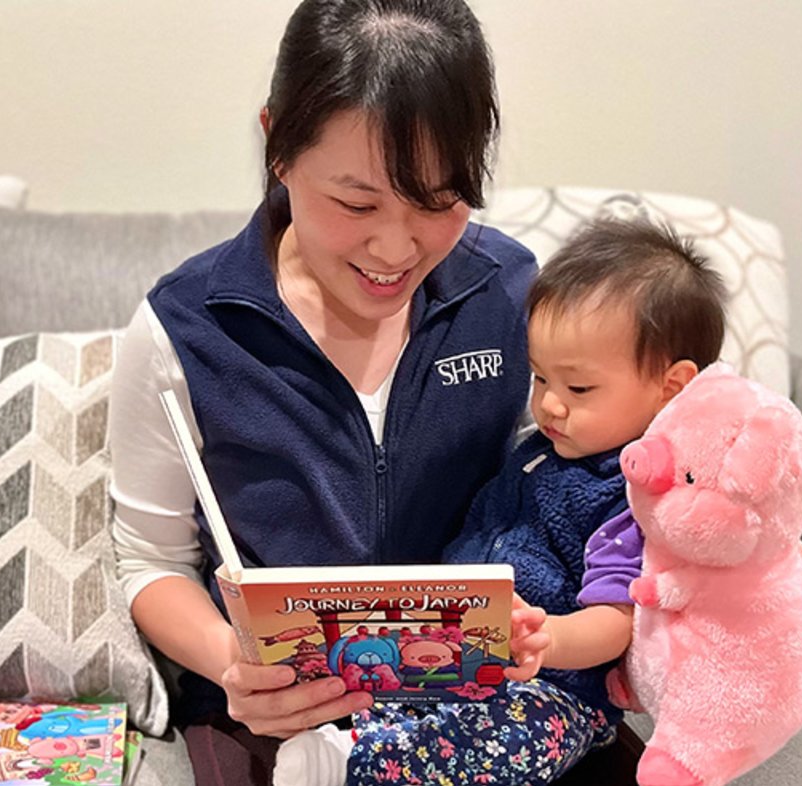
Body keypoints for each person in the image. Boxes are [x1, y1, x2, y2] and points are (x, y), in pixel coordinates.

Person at [106, 2, 538, 783]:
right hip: (274, 722)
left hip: (482, 718)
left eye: (439, 199)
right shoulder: (186, 327)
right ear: (277, 143)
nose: (395, 248)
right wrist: (234, 667)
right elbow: (149, 558)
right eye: (357, 202)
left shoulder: (510, 297)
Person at [271, 217, 728, 786]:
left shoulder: (635, 496)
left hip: (557, 687)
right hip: (460, 651)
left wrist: (549, 640)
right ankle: (355, 742)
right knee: (383, 684)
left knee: (508, 745)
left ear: (672, 386)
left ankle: (359, 765)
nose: (550, 405)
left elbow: (618, 621)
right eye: (539, 379)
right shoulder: (541, 450)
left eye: (578, 388)